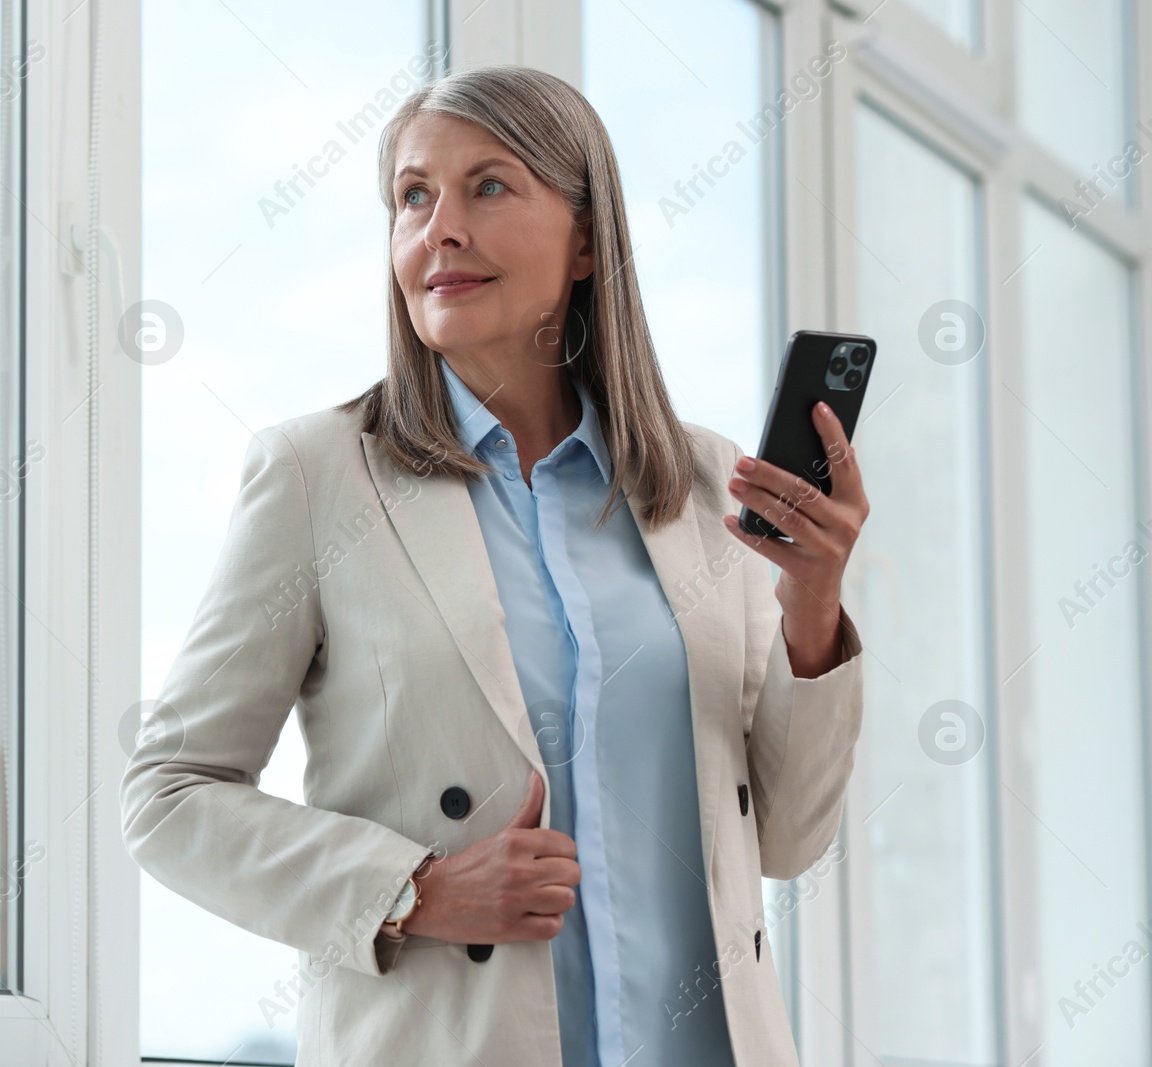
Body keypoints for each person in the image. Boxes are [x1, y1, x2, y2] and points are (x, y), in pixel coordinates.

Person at [120, 62, 867, 1066]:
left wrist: (811, 603)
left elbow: (784, 838)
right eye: (413, 196)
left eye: (489, 185)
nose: (439, 229)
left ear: (589, 242)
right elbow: (170, 793)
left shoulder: (702, 479)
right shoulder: (317, 476)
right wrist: (412, 888)